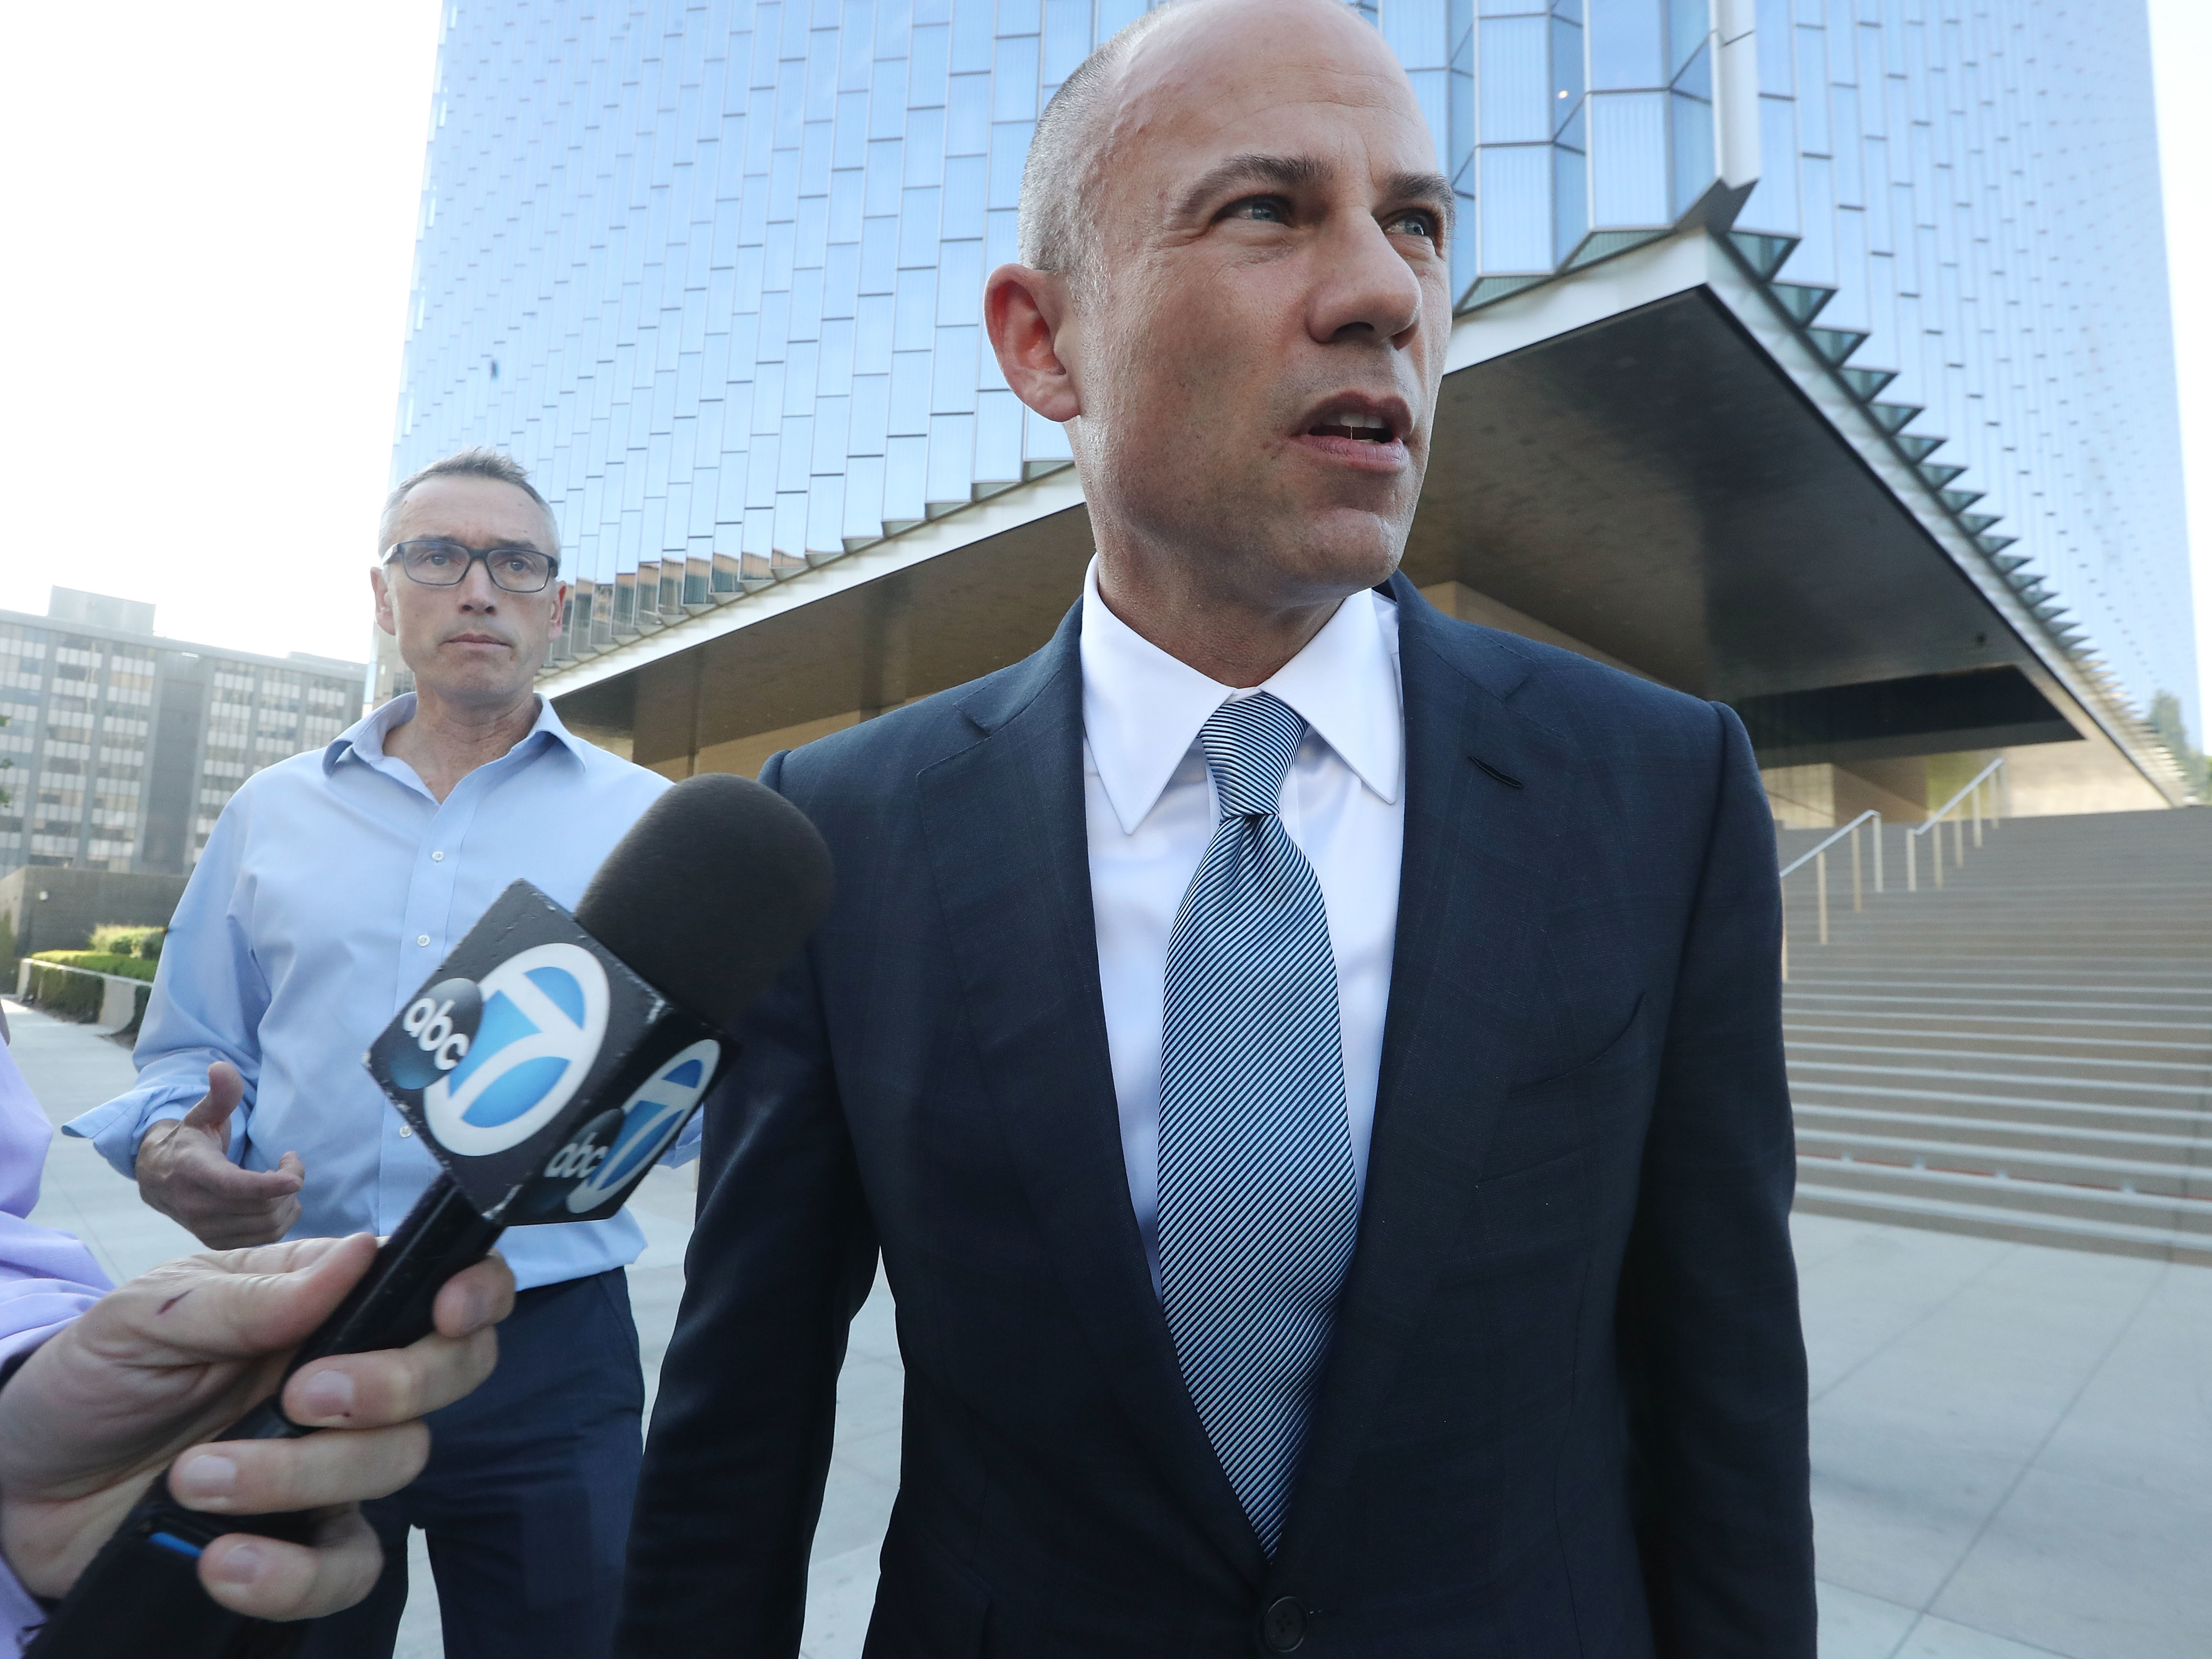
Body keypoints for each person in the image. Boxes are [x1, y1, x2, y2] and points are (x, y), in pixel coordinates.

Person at [619, 0, 1815, 1653]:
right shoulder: (848, 834)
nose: (1386, 292)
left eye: (1416, 224)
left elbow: (1728, 1398)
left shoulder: (1662, 792)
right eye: (1269, 210)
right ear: (1047, 343)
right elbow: (737, 1430)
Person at [64, 448, 682, 1659]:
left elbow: (711, 1087)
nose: (477, 589)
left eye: (514, 562)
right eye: (438, 555)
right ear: (383, 592)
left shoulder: (646, 821)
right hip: (303, 1314)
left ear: (558, 606)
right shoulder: (271, 812)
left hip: (549, 1337)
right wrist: (170, 1141)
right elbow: (191, 1049)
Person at [0, 1011, 515, 1653]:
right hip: (278, 1346)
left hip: (530, 1331)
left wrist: (20, 1376)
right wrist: (166, 1140)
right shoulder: (234, 903)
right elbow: (192, 1047)